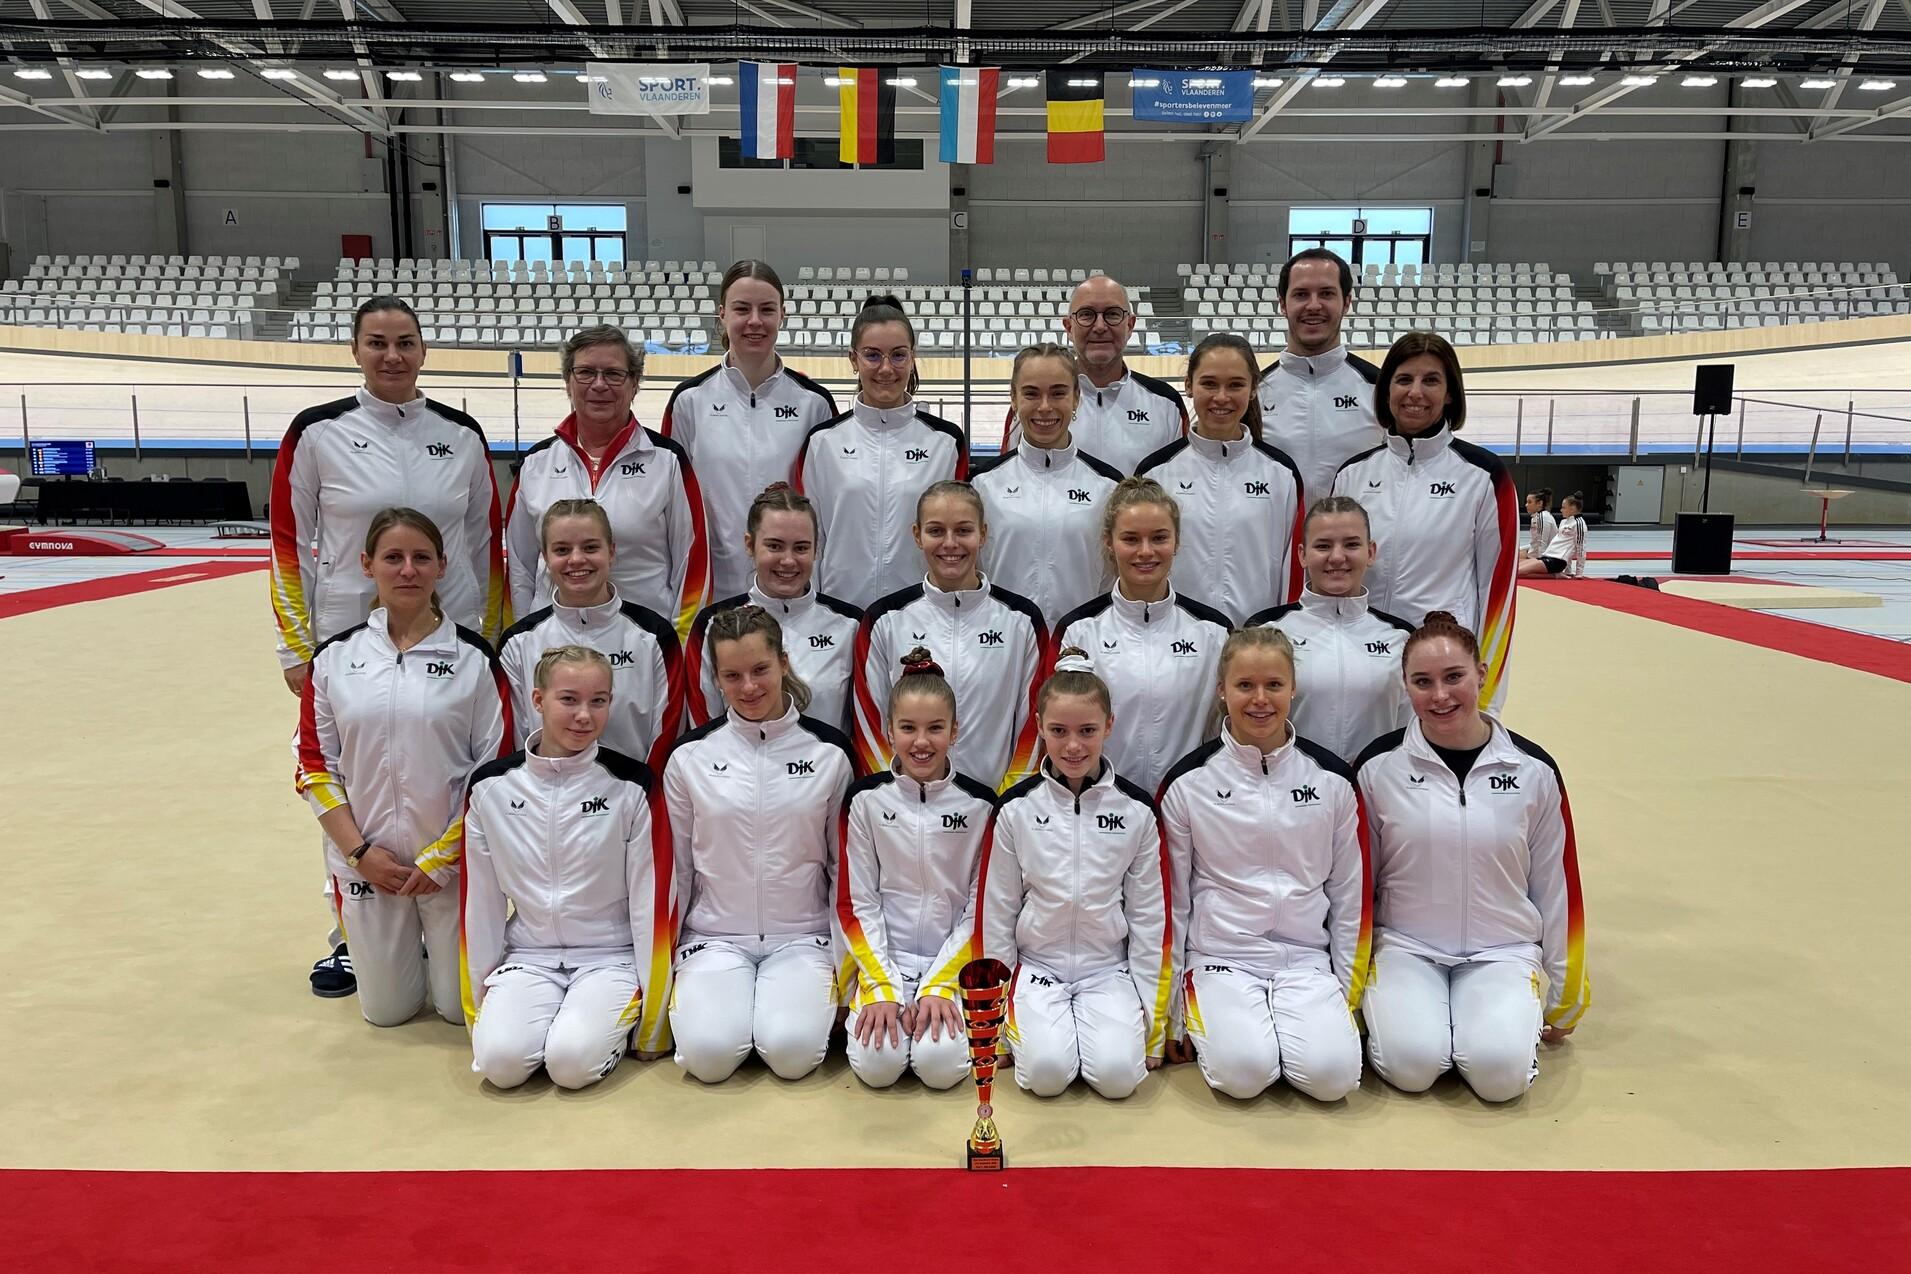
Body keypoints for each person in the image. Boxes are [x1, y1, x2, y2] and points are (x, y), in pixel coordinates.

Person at [271, 296, 505, 997]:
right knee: (357, 775)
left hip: (453, 628)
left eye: (405, 342)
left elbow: (484, 542)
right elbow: (289, 542)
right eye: (377, 343)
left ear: (425, 349)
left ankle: (455, 919)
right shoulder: (317, 432)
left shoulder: (460, 434)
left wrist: (490, 635)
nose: (392, 356)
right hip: (346, 638)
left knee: (448, 771)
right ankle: (350, 932)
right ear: (354, 350)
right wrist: (295, 647)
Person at [1355, 612, 1589, 1102]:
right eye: (1423, 682)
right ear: (1406, 686)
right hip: (1406, 947)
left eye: (1454, 677)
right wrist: (1353, 980)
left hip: (1501, 951)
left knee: (1498, 1079)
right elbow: (1357, 883)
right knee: (1413, 1068)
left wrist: (1565, 995)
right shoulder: (1377, 768)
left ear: (1481, 673)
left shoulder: (1533, 770)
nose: (1440, 695)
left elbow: (1556, 885)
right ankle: (1423, 1026)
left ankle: (1487, 1036)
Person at [294, 507, 510, 1028]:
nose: (408, 569)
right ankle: (392, 951)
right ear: (367, 565)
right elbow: (313, 768)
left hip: (451, 866)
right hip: (370, 865)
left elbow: (494, 770)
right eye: (393, 557)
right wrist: (359, 852)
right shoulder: (334, 659)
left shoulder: (475, 660)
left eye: (421, 558)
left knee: (459, 1013)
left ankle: (442, 953)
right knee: (387, 1013)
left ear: (442, 565)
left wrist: (443, 857)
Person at [1158, 626, 1369, 1102]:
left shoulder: (1332, 780)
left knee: (1333, 1080)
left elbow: (1348, 895)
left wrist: (1345, 994)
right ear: (1221, 691)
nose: (1260, 700)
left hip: (1306, 961)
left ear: (1294, 687)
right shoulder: (1189, 783)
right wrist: (1170, 1012)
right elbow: (1172, 904)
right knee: (1245, 1075)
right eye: (1245, 685)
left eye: (1274, 685)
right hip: (1221, 959)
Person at [461, 646, 676, 1090]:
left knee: (571, 1067)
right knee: (500, 1065)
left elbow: (650, 902)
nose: (584, 715)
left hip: (609, 959)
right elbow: (479, 907)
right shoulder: (490, 789)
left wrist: (653, 1026)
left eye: (599, 700)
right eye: (569, 699)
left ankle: (595, 1029)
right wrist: (477, 1012)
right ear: (537, 700)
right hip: (529, 956)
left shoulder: (632, 787)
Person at [664, 605, 857, 1083]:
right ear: (716, 678)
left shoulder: (829, 754)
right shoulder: (689, 758)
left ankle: (776, 1013)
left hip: (803, 938)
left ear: (784, 663)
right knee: (708, 1060)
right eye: (732, 675)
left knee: (792, 1056)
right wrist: (663, 967)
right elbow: (677, 873)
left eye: (760, 670)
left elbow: (845, 874)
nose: (748, 687)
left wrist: (846, 974)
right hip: (713, 939)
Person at [974, 648, 1173, 1099]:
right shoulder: (1015, 810)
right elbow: (997, 917)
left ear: (1109, 726)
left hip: (1107, 970)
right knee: (1045, 1077)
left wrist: (1155, 1027)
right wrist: (996, 1025)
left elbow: (1149, 921)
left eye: (1087, 731)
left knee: (1120, 1079)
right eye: (1058, 731)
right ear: (1040, 727)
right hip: (1037, 969)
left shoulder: (1137, 812)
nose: (1073, 746)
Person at [837, 647, 996, 1091]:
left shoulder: (981, 806)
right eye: (907, 728)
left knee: (941, 1069)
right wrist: (884, 987)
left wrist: (941, 984)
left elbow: (981, 909)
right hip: (885, 961)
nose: (920, 742)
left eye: (935, 728)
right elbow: (856, 902)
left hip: (952, 964)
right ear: (889, 731)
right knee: (878, 1067)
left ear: (955, 731)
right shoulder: (865, 801)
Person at [1331, 331, 1518, 708]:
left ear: (1450, 393)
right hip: (1360, 662)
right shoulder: (1352, 474)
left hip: (1441, 670)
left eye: (1430, 380)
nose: (1415, 392)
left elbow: (1499, 595)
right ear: (1386, 390)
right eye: (1404, 379)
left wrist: (1486, 702)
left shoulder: (1483, 476)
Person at [505, 324, 711, 638]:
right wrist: (523, 639)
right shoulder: (536, 463)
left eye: (614, 374)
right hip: (554, 650)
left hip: (643, 648)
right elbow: (518, 569)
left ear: (635, 383)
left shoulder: (667, 461)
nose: (599, 385)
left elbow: (692, 565)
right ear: (568, 381)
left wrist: (678, 646)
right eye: (586, 372)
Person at [852, 481, 1047, 790]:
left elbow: (1032, 727)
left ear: (983, 534)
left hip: (993, 811)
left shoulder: (1022, 621)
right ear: (917, 535)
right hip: (905, 810)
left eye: (963, 531)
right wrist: (896, 796)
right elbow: (870, 725)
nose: (950, 543)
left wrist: (1009, 804)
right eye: (936, 531)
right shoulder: (884, 620)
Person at [662, 260, 839, 598]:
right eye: (742, 309)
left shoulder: (814, 403)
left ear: (782, 316)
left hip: (791, 588)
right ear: (722, 314)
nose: (755, 321)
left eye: (767, 310)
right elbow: (674, 505)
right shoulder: (690, 401)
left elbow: (826, 506)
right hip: (712, 591)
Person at [1052, 477, 1231, 795]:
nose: (1145, 552)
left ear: (1176, 541)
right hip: (1104, 810)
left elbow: (1227, 732)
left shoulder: (1213, 632)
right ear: (1109, 542)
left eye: (1159, 537)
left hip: (1190, 804)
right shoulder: (1079, 630)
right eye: (1131, 539)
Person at [795, 295, 967, 608]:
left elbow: (956, 542)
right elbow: (811, 538)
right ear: (853, 358)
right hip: (839, 613)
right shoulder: (822, 442)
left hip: (918, 618)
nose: (886, 368)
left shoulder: (945, 442)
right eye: (872, 356)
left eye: (898, 355)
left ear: (912, 357)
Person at [497, 498, 683, 775]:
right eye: (561, 550)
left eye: (590, 547)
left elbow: (667, 733)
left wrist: (642, 794)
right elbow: (514, 741)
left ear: (611, 551)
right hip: (541, 804)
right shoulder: (518, 642)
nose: (576, 559)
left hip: (630, 803)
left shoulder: (653, 636)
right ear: (545, 558)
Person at [1136, 334, 1305, 625]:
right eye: (1209, 383)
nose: (1222, 397)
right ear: (1189, 385)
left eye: (1235, 385)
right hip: (1178, 641)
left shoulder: (1282, 473)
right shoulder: (1155, 473)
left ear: (1253, 389)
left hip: (1255, 644)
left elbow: (1293, 573)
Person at [1246, 496, 1413, 765]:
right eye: (1323, 546)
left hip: (1375, 791)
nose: (1337, 557)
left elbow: (1413, 730)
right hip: (1293, 794)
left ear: (1371, 552)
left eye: (1351, 544)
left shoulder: (1401, 638)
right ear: (1302, 555)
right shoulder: (1266, 631)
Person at [685, 483, 860, 731]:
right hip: (734, 768)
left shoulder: (850, 625)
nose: (788, 560)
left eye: (800, 547)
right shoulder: (712, 624)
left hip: (827, 768)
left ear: (815, 550)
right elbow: (704, 732)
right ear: (749, 544)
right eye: (775, 546)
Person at [971, 343, 1123, 624]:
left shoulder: (1108, 486)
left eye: (1058, 393)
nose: (1044, 406)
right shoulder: (982, 484)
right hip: (1004, 645)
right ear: (1014, 399)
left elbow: (1114, 580)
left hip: (1081, 650)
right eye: (1031, 393)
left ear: (1076, 398)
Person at [1005, 274, 1188, 473]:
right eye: (1086, 314)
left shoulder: (1166, 403)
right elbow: (1010, 475)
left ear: (1130, 325)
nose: (1100, 326)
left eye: (1112, 314)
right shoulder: (1032, 405)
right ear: (1068, 327)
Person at [1256, 248, 1382, 501]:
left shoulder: (1381, 389)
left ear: (1346, 302)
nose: (1313, 305)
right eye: (1301, 294)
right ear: (1283, 303)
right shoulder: (1253, 393)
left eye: (1326, 293)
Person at [1520, 492, 1587, 579]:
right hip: (1547, 556)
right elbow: (1562, 544)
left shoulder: (1579, 524)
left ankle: (1554, 575)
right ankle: (1556, 574)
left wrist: (1579, 573)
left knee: (1518, 572)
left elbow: (1580, 549)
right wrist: (1568, 571)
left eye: (1563, 507)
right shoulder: (1564, 522)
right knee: (1515, 567)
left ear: (1572, 508)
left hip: (1557, 561)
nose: (1561, 510)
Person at [1521, 488, 1558, 564]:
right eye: (1526, 502)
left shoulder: (1543, 518)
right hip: (1536, 554)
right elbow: (1535, 543)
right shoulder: (1536, 517)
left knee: (1514, 567)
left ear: (1539, 503)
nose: (1526, 505)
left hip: (1547, 558)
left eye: (1529, 502)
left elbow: (1542, 544)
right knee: (1513, 555)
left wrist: (1538, 563)